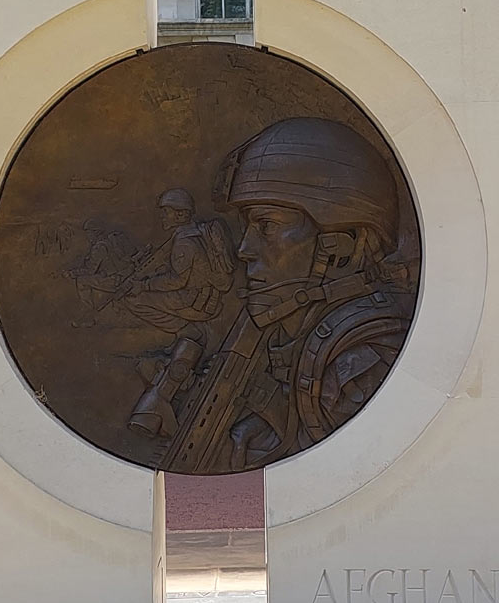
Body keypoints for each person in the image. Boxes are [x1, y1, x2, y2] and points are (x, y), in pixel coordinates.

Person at [129, 118, 418, 473]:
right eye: (247, 227)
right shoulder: (285, 334)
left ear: (341, 248)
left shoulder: (363, 362)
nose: (244, 249)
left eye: (266, 226)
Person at [123, 188, 236, 335]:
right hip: (202, 297)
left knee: (134, 299)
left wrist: (144, 285)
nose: (162, 216)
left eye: (166, 211)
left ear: (180, 215)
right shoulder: (193, 233)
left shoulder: (184, 243)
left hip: (197, 302)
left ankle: (188, 334)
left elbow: (177, 281)